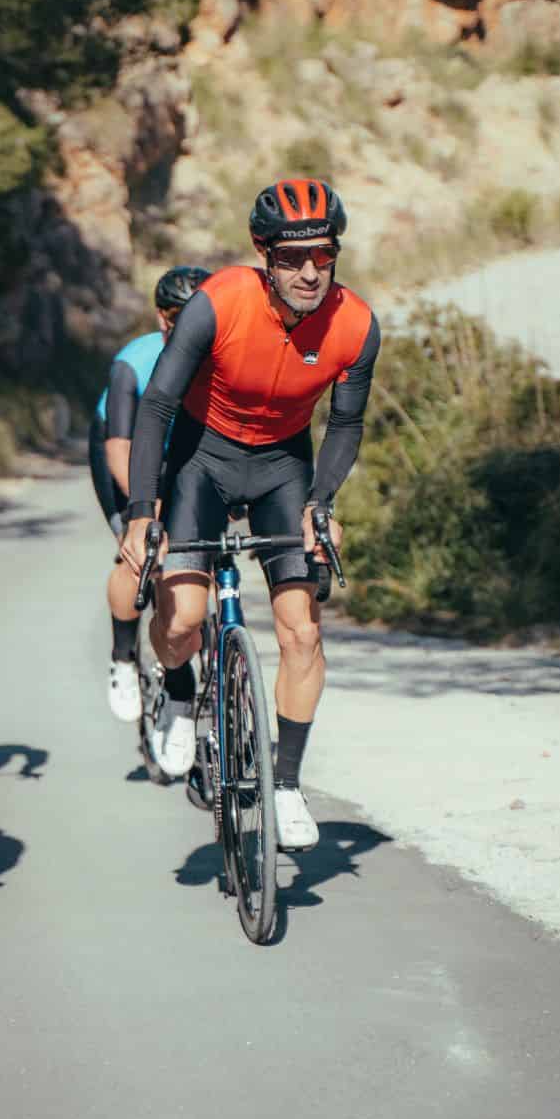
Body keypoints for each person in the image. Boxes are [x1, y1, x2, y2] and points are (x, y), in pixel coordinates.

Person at [118, 179, 379, 851]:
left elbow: (345, 425)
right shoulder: (218, 303)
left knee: (301, 632)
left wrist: (321, 504)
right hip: (200, 456)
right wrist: (143, 512)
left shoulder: (355, 323)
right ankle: (177, 693)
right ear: (264, 254)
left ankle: (286, 784)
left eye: (323, 255)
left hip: (283, 465)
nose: (310, 272)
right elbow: (157, 406)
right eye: (293, 258)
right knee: (182, 620)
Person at [89, 266, 208, 723]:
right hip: (124, 451)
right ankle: (123, 657)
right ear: (163, 319)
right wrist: (144, 506)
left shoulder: (220, 356)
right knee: (139, 553)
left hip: (180, 454)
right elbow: (120, 447)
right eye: (181, 316)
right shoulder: (133, 362)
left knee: (196, 555)